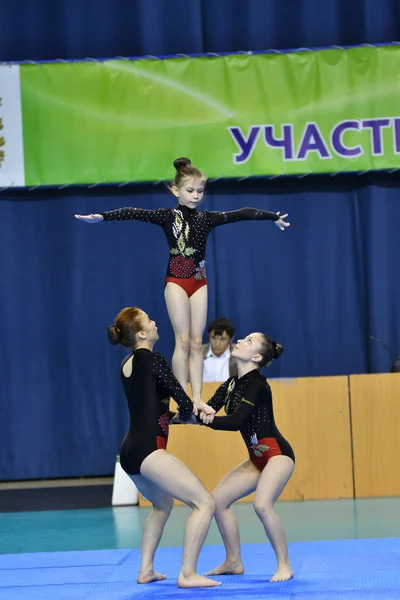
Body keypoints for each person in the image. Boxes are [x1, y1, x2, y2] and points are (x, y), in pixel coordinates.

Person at [75, 157, 290, 411]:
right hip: (176, 281)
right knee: (183, 341)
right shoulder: (166, 216)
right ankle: (184, 399)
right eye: (190, 191)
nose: (196, 196)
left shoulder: (207, 218)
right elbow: (132, 212)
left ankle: (197, 398)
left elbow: (240, 214)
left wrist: (271, 216)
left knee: (197, 342)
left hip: (199, 282)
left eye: (200, 191)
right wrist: (101, 217)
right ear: (176, 190)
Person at [107, 306, 220, 588]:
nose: (155, 321)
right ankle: (187, 574)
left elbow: (152, 411)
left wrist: (184, 419)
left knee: (162, 505)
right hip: (149, 450)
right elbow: (183, 401)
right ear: (143, 333)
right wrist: (198, 411)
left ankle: (146, 570)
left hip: (131, 452)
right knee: (204, 503)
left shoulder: (126, 365)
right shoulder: (154, 360)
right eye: (149, 320)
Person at [197, 332, 295, 582]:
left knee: (262, 505)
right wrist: (175, 417)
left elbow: (236, 421)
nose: (240, 340)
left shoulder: (257, 384)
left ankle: (284, 565)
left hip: (276, 454)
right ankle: (233, 561)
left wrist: (208, 420)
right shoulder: (231, 384)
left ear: (257, 356)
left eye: (249, 341)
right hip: (257, 457)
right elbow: (207, 410)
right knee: (217, 502)